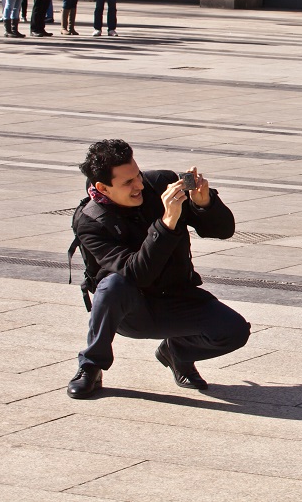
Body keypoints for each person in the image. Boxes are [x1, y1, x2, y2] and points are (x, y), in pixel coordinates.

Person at [67, 139, 251, 399]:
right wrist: (166, 224)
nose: (139, 185)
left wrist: (204, 204)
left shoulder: (161, 185)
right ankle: (91, 366)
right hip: (132, 311)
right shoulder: (91, 221)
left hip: (178, 295)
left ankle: (176, 353)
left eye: (138, 175)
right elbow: (137, 274)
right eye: (127, 183)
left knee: (234, 331)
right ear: (102, 188)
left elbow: (223, 230)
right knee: (112, 284)